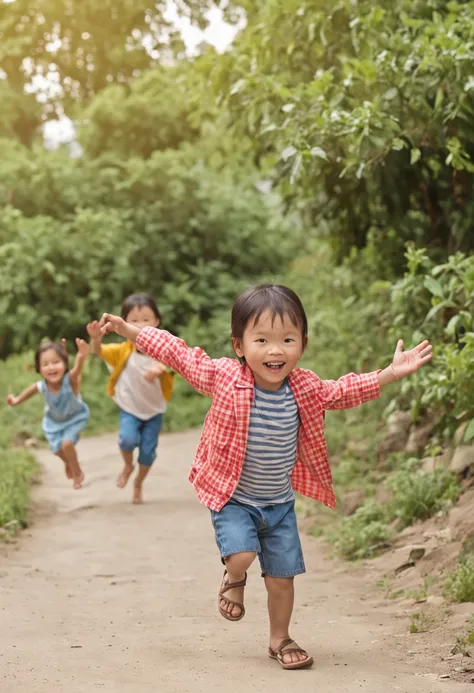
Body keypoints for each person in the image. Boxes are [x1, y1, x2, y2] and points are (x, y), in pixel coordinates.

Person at [98, 283, 432, 670]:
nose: (276, 350)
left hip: (279, 505)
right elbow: (178, 352)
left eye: (287, 340)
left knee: (282, 580)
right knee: (242, 554)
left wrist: (390, 373)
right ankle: (234, 579)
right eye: (262, 340)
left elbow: (344, 390)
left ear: (302, 344)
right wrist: (129, 330)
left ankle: (280, 638)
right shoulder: (223, 377)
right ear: (239, 345)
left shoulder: (304, 387)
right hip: (233, 498)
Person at [87, 293, 174, 504]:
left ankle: (138, 483)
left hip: (154, 411)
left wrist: (160, 370)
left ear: (157, 321)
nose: (141, 326)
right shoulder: (122, 351)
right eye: (134, 321)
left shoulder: (163, 349)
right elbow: (97, 350)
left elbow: (175, 364)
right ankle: (127, 465)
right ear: (124, 324)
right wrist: (96, 338)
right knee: (127, 440)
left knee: (147, 453)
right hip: (130, 408)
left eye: (146, 320)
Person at [6, 339, 90, 489]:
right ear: (39, 368)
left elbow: (77, 370)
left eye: (56, 362)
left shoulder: (69, 380)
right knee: (57, 450)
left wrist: (81, 356)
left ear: (64, 364)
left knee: (67, 444)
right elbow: (29, 392)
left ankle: (77, 472)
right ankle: (68, 462)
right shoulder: (42, 386)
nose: (51, 367)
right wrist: (16, 400)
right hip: (54, 422)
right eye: (45, 364)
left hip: (73, 419)